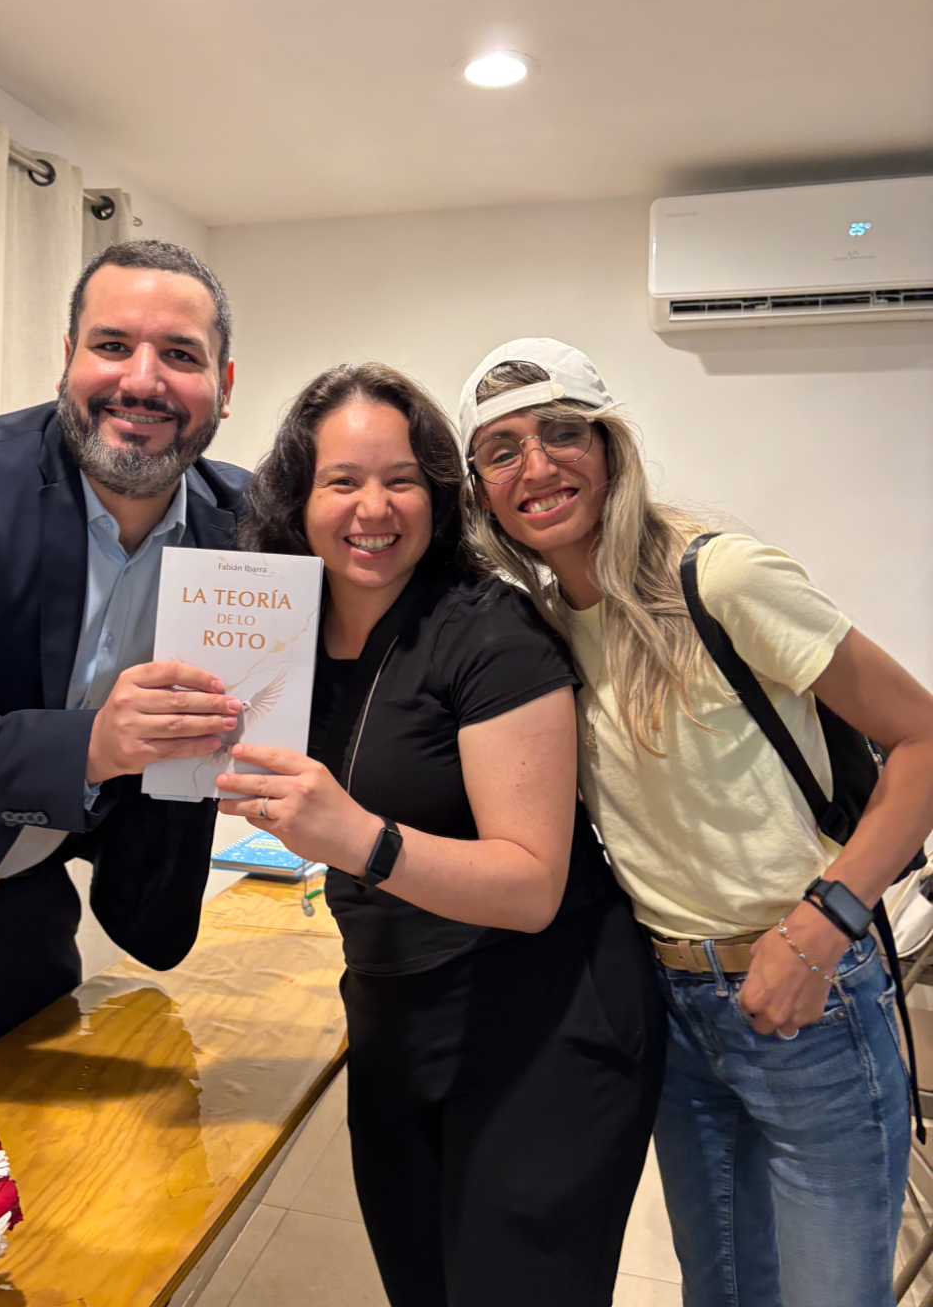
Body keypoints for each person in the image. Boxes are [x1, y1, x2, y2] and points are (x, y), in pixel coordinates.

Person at [459, 336, 933, 1307]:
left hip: (811, 997)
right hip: (673, 1012)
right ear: (479, 490)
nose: (536, 467)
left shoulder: (719, 579)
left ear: (610, 448)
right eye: (502, 451)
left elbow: (923, 741)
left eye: (561, 433)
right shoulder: (539, 631)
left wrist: (820, 930)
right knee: (718, 1291)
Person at [215, 362, 665, 1307]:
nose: (373, 508)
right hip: (393, 1012)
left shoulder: (489, 632)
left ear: (439, 495)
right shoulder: (281, 633)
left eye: (402, 480)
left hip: (542, 1019)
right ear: (298, 499)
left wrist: (358, 839)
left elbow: (531, 886)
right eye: (342, 481)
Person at [0, 239, 249, 1129]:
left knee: (36, 1182)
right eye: (112, 345)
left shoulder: (246, 523)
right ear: (68, 357)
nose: (142, 380)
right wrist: (94, 745)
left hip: (25, 919)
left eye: (179, 354)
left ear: (223, 384)